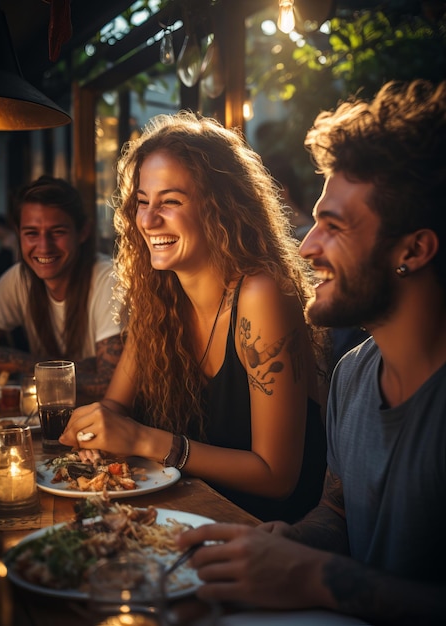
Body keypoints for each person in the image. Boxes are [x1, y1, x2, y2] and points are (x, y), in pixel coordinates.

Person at [176, 79, 446, 625]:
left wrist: (309, 575)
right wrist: (292, 544)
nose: (306, 246)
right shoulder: (353, 373)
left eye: (335, 226)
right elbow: (339, 511)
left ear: (413, 250)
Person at [60, 111, 329, 523]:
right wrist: (99, 428)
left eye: (170, 201)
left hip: (266, 538)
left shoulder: (261, 293)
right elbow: (116, 402)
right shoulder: (159, 294)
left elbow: (278, 479)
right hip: (187, 518)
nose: (148, 220)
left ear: (221, 208)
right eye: (142, 202)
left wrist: (145, 439)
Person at [0, 176, 124, 402]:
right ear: (19, 234)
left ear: (83, 232)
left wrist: (12, 359)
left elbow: (109, 385)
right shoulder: (19, 279)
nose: (44, 246)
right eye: (32, 233)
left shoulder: (108, 279)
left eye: (57, 232)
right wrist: (82, 368)